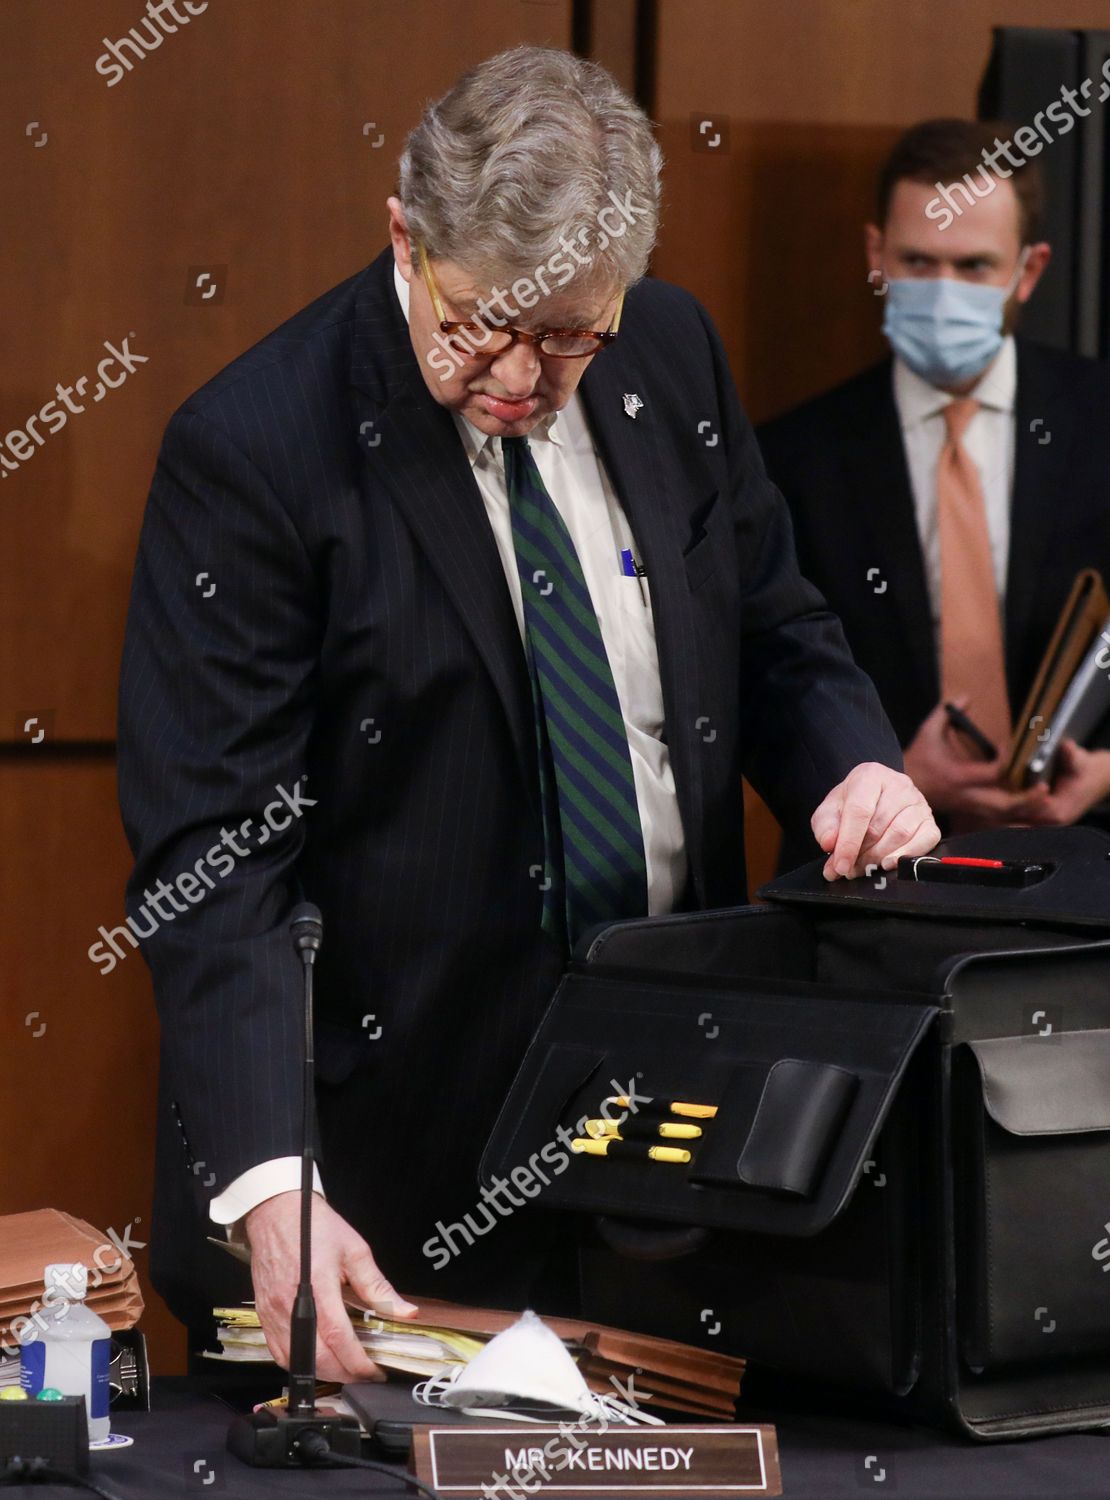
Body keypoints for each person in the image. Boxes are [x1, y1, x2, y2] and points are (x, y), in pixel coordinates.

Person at [116, 45, 937, 1384]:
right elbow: (215, 863)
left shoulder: (668, 353)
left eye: (567, 334)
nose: (516, 374)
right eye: (476, 322)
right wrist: (272, 1183)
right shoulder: (258, 450)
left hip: (676, 1143)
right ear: (404, 236)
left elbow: (776, 625)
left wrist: (854, 764)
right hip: (385, 1185)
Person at [759, 118, 1110, 868]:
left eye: (974, 265)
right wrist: (890, 772)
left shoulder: (1100, 420)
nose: (943, 291)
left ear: (1029, 268)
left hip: (1085, 870)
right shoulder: (792, 457)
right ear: (876, 254)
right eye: (918, 261)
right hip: (870, 879)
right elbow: (767, 681)